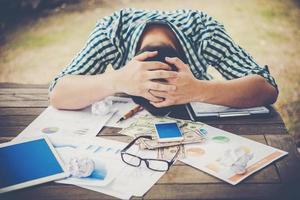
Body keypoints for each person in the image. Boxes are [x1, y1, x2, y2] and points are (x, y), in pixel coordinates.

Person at [49, 8, 278, 113]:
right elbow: (58, 93)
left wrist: (199, 89)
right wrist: (116, 81)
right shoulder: (112, 30)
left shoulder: (203, 29)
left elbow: (267, 89)